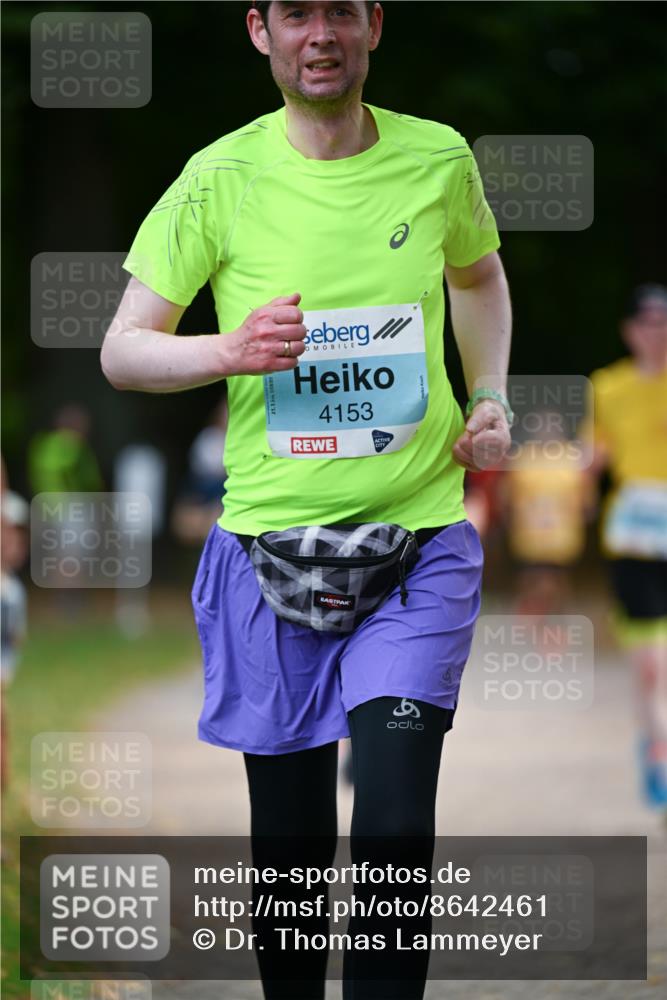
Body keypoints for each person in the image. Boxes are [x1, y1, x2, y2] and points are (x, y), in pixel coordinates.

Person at [101, 3, 512, 997]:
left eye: (340, 10)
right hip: (266, 557)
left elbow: (479, 277)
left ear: (374, 25)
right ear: (260, 31)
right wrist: (226, 351)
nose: (318, 34)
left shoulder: (437, 159)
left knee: (394, 825)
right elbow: (123, 348)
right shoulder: (220, 177)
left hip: (416, 544)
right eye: (296, 14)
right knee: (289, 850)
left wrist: (491, 391)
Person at [585, 284, 667, 811]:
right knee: (652, 664)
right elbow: (593, 457)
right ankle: (656, 746)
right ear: (629, 330)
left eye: (664, 325)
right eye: (647, 324)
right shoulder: (607, 387)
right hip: (635, 535)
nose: (656, 335)